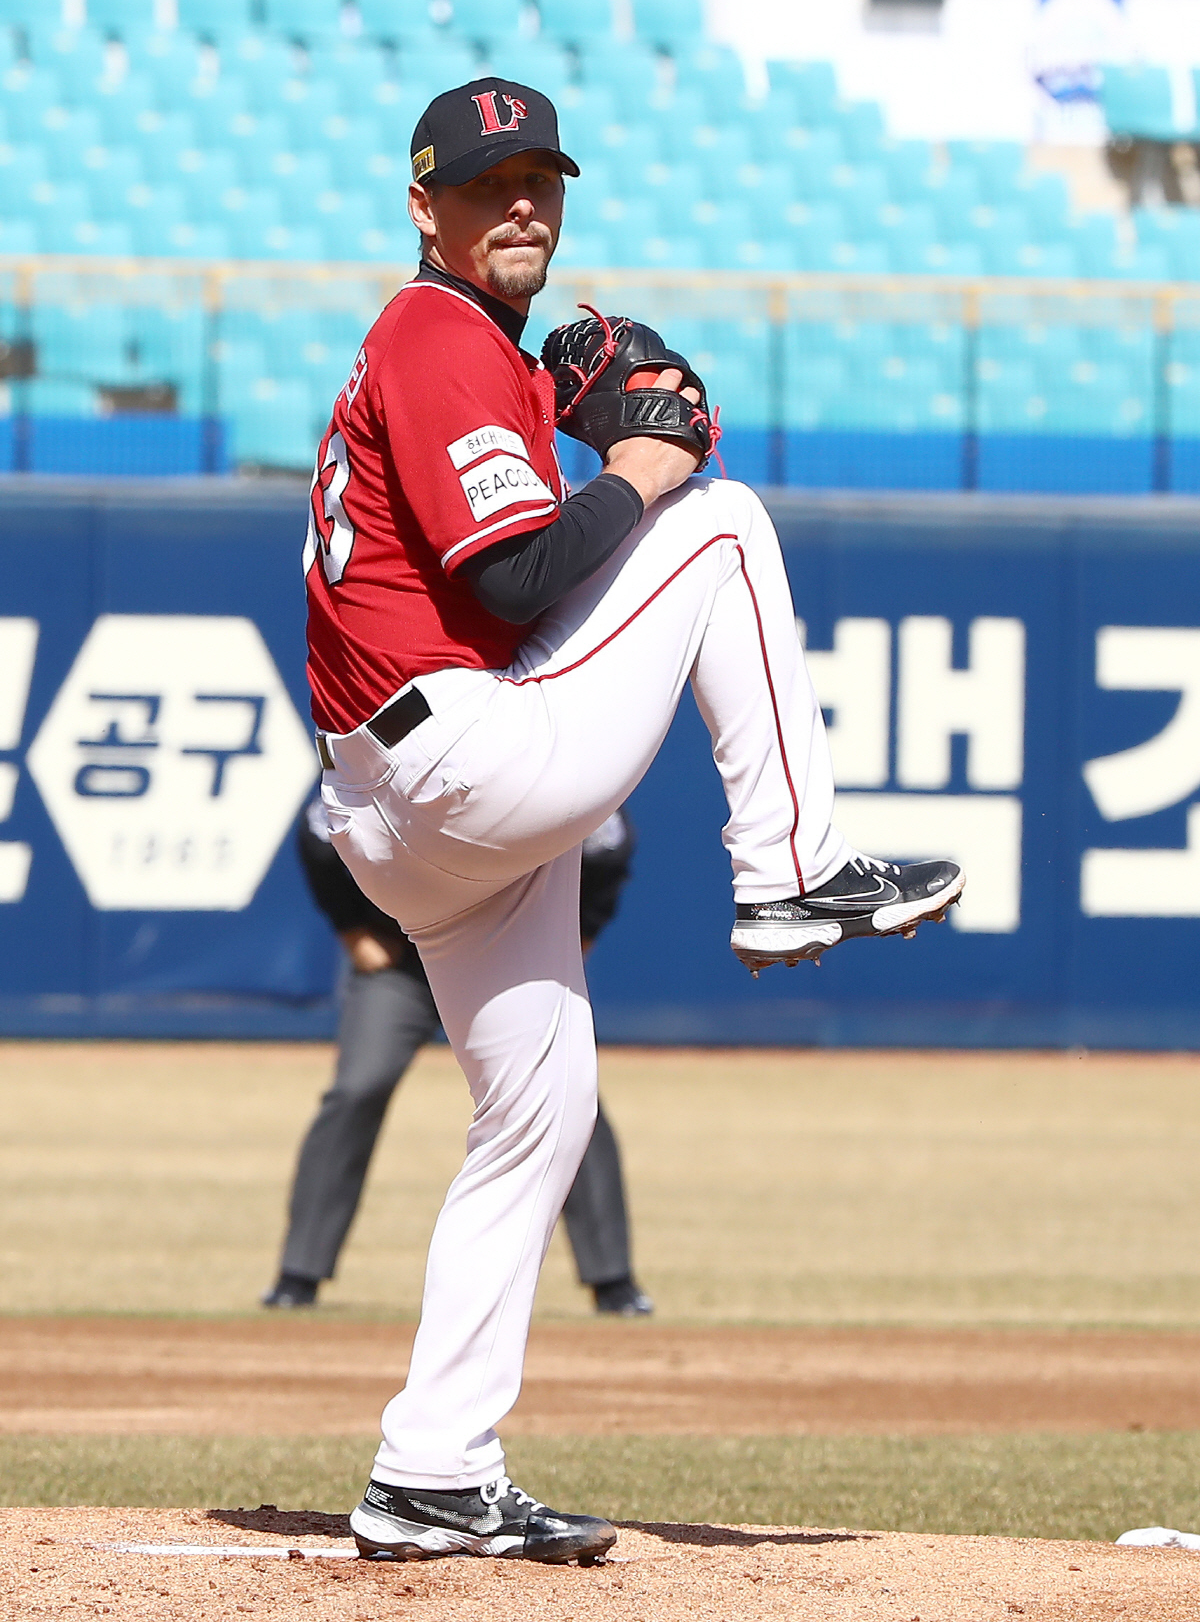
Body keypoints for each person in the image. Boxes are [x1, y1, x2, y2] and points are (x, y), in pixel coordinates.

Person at [303, 77, 964, 1566]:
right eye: (487, 181)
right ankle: (789, 867)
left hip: (408, 803)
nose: (521, 199)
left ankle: (430, 1468)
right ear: (426, 208)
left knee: (539, 1114)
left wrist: (571, 412)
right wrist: (642, 466)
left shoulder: (478, 358)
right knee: (719, 523)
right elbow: (521, 584)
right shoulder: (435, 332)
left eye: (540, 174)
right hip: (455, 753)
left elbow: (517, 564)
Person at [262, 799, 651, 1317]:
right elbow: (319, 830)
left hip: (507, 959)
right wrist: (351, 928)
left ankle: (613, 1280)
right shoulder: (410, 749)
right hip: (404, 960)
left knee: (563, 1094)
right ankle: (298, 1273)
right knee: (359, 1086)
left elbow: (608, 843)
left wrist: (583, 928)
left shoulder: (538, 758)